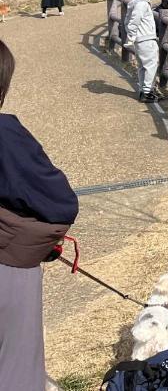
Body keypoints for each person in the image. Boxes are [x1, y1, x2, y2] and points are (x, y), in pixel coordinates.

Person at [0, 39, 79, 390]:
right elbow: (58, 204)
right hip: (8, 267)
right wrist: (30, 242)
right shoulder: (5, 136)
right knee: (16, 368)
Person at [123, 0, 163, 103]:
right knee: (150, 65)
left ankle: (144, 90)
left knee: (142, 66)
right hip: (145, 38)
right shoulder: (141, 4)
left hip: (141, 39)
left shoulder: (136, 2)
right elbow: (134, 21)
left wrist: (131, 36)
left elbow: (128, 21)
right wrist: (131, 36)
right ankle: (147, 91)